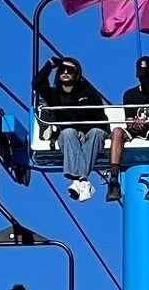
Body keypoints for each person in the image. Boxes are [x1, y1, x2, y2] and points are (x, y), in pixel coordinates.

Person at [33, 55, 107, 201]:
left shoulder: (87, 94)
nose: (66, 72)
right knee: (68, 132)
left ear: (76, 74)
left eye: (70, 70)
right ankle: (83, 181)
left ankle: (77, 180)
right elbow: (38, 83)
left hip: (91, 131)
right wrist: (50, 64)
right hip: (68, 135)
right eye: (62, 69)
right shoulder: (53, 95)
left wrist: (84, 130)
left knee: (97, 132)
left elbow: (98, 115)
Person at [106, 54, 149, 203]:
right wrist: (135, 124)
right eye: (142, 78)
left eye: (148, 77)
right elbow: (128, 121)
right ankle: (114, 180)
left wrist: (148, 123)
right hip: (134, 131)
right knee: (117, 131)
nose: (145, 81)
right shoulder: (130, 95)